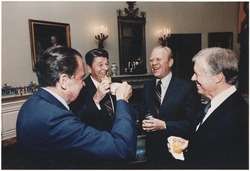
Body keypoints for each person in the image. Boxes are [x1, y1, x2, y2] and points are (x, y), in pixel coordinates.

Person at [16, 46, 136, 168]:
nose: (83, 83)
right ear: (64, 81)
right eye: (80, 78)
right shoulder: (55, 119)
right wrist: (122, 99)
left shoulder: (32, 103)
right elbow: (122, 148)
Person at [167, 47, 248, 169]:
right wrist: (190, 145)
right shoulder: (214, 104)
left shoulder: (237, 115)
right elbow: (215, 145)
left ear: (218, 77)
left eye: (197, 74)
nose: (192, 78)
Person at [142, 46, 201, 167]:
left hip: (176, 154)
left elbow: (191, 124)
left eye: (158, 59)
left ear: (170, 62)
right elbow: (144, 111)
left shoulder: (186, 88)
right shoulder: (147, 85)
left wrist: (164, 125)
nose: (153, 63)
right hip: (152, 153)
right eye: (151, 60)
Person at [70, 48, 115, 131]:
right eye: (100, 65)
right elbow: (78, 119)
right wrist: (96, 99)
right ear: (89, 68)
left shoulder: (116, 83)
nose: (105, 68)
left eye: (107, 64)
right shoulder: (81, 88)